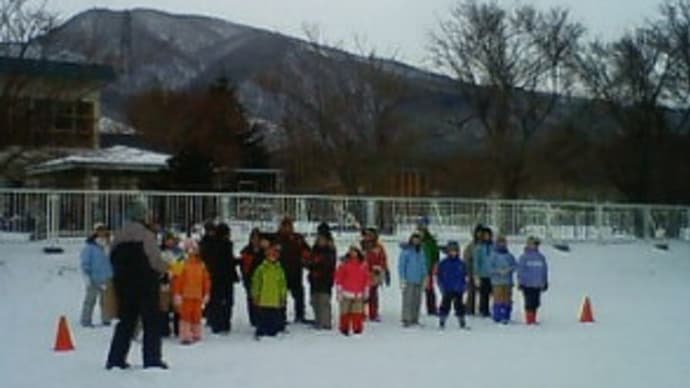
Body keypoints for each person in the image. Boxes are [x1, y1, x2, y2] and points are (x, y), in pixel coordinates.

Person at [106, 200, 169, 370]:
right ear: (142, 215)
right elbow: (154, 260)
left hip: (124, 284)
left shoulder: (118, 234)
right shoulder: (145, 235)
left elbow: (111, 257)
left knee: (126, 322)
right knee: (151, 322)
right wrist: (167, 268)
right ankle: (152, 359)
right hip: (146, 284)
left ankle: (116, 359)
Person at [173, 239, 211, 344]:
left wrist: (206, 292)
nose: (192, 251)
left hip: (198, 295)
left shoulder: (201, 264)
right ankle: (185, 335)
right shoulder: (180, 262)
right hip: (185, 295)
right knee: (185, 315)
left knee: (197, 315)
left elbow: (206, 280)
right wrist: (177, 293)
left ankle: (196, 333)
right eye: (190, 249)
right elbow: (176, 279)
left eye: (194, 249)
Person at [204, 223, 239, 334]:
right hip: (224, 278)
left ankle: (216, 322)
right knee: (226, 302)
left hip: (214, 277)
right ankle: (223, 324)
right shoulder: (225, 245)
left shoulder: (209, 244)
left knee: (216, 301)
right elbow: (228, 261)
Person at [276, 217, 311, 323]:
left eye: (289, 226)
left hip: (296, 271)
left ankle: (300, 315)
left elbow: (307, 251)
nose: (287, 228)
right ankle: (281, 316)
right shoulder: (276, 238)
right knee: (281, 296)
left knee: (299, 295)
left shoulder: (298, 238)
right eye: (285, 226)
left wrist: (305, 259)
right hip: (281, 272)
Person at [79, 223, 113, 328]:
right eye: (99, 230)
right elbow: (85, 262)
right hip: (93, 278)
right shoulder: (90, 247)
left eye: (103, 230)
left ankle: (106, 319)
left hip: (107, 278)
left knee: (106, 301)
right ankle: (86, 320)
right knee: (90, 300)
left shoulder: (110, 245)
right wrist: (87, 276)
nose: (102, 232)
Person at [251, 245, 288, 339]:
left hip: (275, 299)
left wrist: (283, 296)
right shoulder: (261, 269)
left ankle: (273, 331)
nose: (272, 256)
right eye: (270, 254)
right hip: (263, 299)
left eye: (274, 254)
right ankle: (261, 331)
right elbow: (256, 283)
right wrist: (255, 295)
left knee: (274, 317)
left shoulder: (279, 269)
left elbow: (282, 284)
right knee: (263, 317)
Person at [334, 246, 370, 336]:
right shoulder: (344, 264)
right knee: (344, 312)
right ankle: (344, 328)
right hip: (346, 292)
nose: (353, 254)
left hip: (358, 293)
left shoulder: (363, 264)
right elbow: (339, 278)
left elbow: (366, 278)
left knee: (357, 312)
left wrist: (366, 290)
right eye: (351, 252)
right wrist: (339, 290)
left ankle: (357, 328)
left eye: (354, 252)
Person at [306, 232, 336, 330]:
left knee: (324, 301)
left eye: (322, 239)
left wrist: (318, 264)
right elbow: (309, 262)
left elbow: (330, 265)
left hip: (325, 280)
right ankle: (318, 321)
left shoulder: (330, 251)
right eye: (319, 239)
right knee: (315, 301)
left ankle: (326, 323)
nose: (320, 241)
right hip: (314, 280)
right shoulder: (314, 250)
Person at [517, 236, 549, 325]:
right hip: (527, 284)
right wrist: (521, 282)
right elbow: (520, 271)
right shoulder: (524, 257)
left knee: (536, 302)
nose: (534, 246)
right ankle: (529, 319)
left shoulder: (541, 257)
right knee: (529, 302)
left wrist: (544, 281)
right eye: (532, 244)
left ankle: (533, 318)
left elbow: (544, 270)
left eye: (535, 244)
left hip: (537, 284)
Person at [398, 232, 428, 327]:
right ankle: (406, 318)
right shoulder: (406, 252)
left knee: (417, 300)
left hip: (419, 279)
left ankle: (415, 318)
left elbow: (423, 265)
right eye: (414, 239)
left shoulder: (421, 251)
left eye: (418, 239)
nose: (416, 241)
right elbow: (401, 266)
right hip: (409, 279)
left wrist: (425, 276)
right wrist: (402, 278)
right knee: (408, 300)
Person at [437, 241, 468, 329]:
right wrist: (441, 286)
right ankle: (442, 320)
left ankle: (461, 320)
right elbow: (439, 276)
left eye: (455, 251)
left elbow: (465, 276)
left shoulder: (461, 263)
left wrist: (464, 285)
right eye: (451, 251)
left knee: (459, 305)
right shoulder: (443, 263)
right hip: (447, 288)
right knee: (445, 305)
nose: (453, 253)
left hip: (458, 288)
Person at [361, 227, 390, 322]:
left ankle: (373, 313)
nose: (369, 237)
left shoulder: (378, 247)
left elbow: (383, 259)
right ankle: (361, 312)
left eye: (371, 234)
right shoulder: (361, 246)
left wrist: (384, 269)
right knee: (362, 294)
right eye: (367, 234)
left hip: (374, 273)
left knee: (373, 294)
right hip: (361, 273)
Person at [239, 228, 266, 327]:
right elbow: (243, 266)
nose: (255, 241)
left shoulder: (265, 251)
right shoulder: (246, 251)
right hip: (250, 278)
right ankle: (254, 319)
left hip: (263, 279)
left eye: (257, 238)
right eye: (253, 238)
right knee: (252, 299)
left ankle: (262, 318)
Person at [160, 232, 184, 337]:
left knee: (177, 306)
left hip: (177, 282)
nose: (169, 242)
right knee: (163, 306)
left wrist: (172, 270)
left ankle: (178, 328)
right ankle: (164, 329)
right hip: (163, 282)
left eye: (171, 240)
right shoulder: (160, 252)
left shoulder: (179, 253)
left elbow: (181, 267)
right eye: (167, 240)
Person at [489, 235, 517, 324]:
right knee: (498, 298)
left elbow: (515, 266)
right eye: (500, 243)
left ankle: (506, 315)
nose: (502, 244)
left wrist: (509, 269)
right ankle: (497, 315)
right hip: (497, 282)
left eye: (503, 243)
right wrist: (498, 271)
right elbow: (489, 268)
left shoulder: (509, 255)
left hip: (508, 281)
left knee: (507, 299)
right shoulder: (493, 255)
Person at [417, 216, 440, 316]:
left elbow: (435, 254)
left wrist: (435, 264)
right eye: (421, 225)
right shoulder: (415, 240)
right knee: (415, 290)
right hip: (416, 270)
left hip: (428, 269)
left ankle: (432, 308)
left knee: (429, 289)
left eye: (424, 225)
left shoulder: (430, 241)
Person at [462, 225, 484, 315]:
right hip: (472, 271)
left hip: (484, 271)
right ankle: (469, 309)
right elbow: (466, 258)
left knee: (483, 292)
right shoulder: (471, 245)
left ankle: (482, 308)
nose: (479, 234)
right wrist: (467, 271)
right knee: (471, 291)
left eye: (481, 233)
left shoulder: (486, 245)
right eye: (478, 232)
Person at [474, 227, 494, 317]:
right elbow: (476, 261)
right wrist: (476, 274)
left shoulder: (494, 247)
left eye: (488, 235)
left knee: (492, 293)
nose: (487, 237)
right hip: (483, 274)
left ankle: (493, 309)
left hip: (493, 274)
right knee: (484, 294)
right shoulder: (479, 247)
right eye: (485, 235)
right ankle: (483, 310)